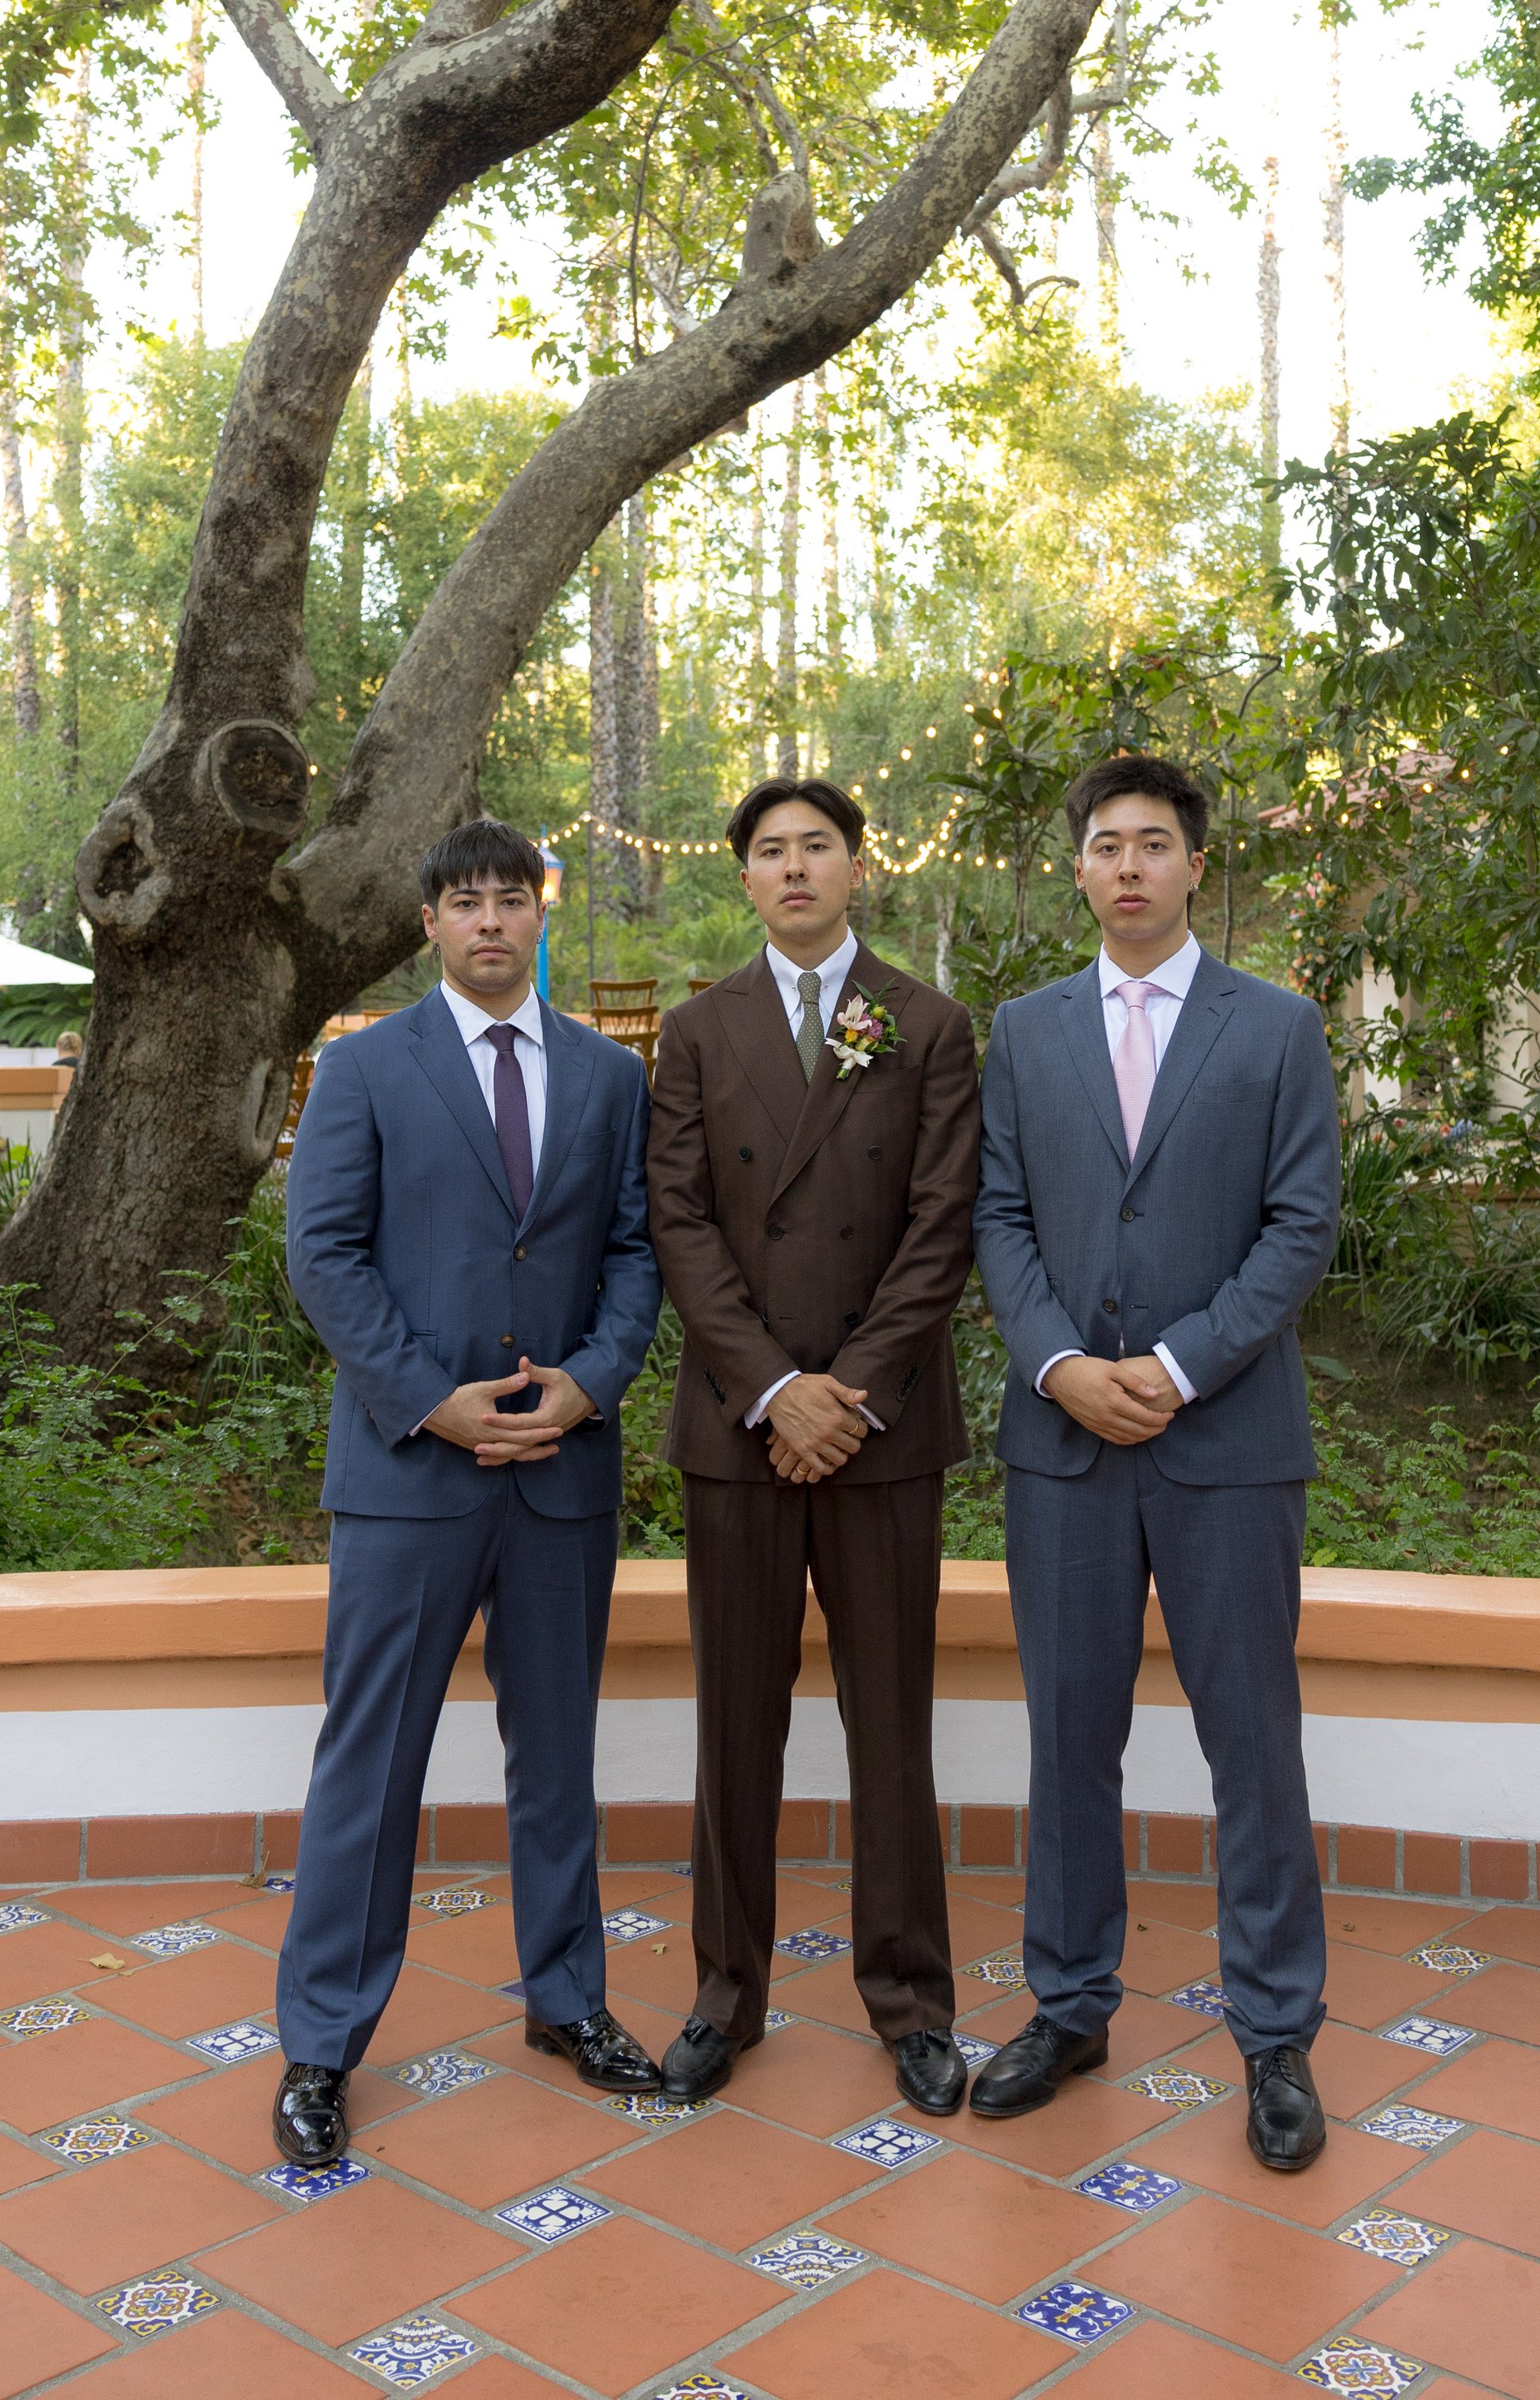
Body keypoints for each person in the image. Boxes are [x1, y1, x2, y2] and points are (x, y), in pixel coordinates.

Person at [271, 820, 663, 2167]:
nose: (491, 920)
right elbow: (321, 1255)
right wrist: (427, 1401)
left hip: (561, 1473)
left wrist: (592, 1382)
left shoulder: (614, 1078)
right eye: (465, 901)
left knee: (556, 1761)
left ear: (539, 915)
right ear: (431, 921)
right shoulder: (366, 1066)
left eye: (512, 899)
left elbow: (633, 1254)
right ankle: (322, 2042)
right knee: (369, 1766)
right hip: (408, 1476)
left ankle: (568, 2000)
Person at [970, 753, 1341, 2169]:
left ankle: (1275, 2031)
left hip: (1227, 1442)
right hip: (1063, 1444)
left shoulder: (1276, 1028)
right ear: (1078, 869)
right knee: (1071, 1735)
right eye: (1106, 844)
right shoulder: (1027, 1029)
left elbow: (1300, 1225)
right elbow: (999, 1215)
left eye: (1155, 844)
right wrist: (1062, 1363)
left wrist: (1180, 1365)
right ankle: (1069, 2003)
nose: (1129, 865)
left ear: (1196, 865)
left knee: (1251, 1741)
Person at [646, 777, 982, 2115]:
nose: (795, 870)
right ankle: (727, 1990)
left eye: (817, 848)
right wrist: (774, 1388)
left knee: (890, 1723)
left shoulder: (928, 1024)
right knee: (737, 1724)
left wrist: (843, 1391)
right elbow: (679, 1222)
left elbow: (941, 1226)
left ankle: (911, 2000)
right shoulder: (693, 1031)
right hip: (740, 1434)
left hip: (881, 1433)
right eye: (772, 853)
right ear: (745, 880)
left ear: (857, 868)